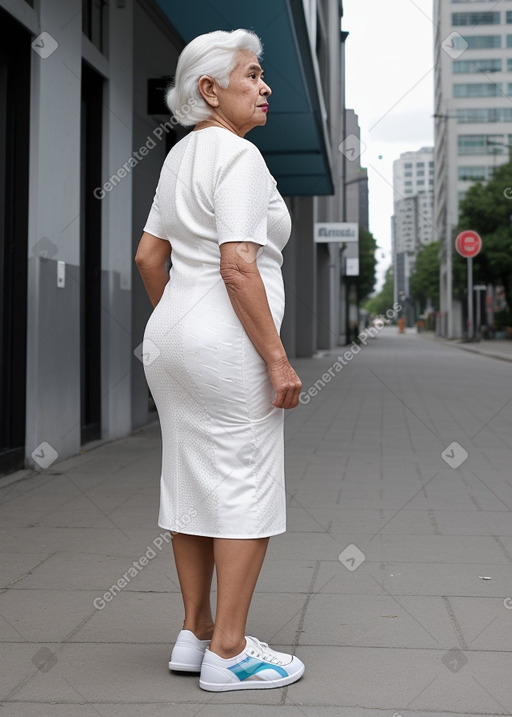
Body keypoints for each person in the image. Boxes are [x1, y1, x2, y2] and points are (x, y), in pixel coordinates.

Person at [135, 29, 304, 692]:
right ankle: (231, 652)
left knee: (189, 479)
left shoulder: (178, 158)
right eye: (253, 75)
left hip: (171, 338)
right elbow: (238, 264)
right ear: (210, 90)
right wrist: (277, 358)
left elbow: (151, 258)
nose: (265, 88)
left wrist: (178, 322)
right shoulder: (239, 158)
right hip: (226, 342)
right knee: (244, 485)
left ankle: (196, 629)